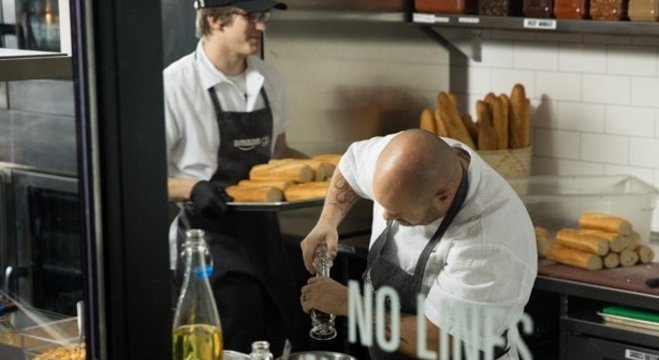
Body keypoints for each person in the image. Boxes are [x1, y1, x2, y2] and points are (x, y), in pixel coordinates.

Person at [299, 129, 537, 359]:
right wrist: (327, 221)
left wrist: (347, 303)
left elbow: (440, 342)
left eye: (398, 214)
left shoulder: (489, 242)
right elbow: (351, 166)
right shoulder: (403, 160)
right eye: (383, 205)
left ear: (443, 197)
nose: (385, 217)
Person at [163, 0, 307, 354]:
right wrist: (193, 188)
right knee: (225, 348)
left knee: (276, 343)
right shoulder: (176, 84)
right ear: (214, 19)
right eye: (252, 17)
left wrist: (340, 172)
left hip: (266, 242)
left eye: (264, 16)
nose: (262, 26)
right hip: (208, 247)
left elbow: (279, 153)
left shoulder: (268, 77)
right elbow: (141, 179)